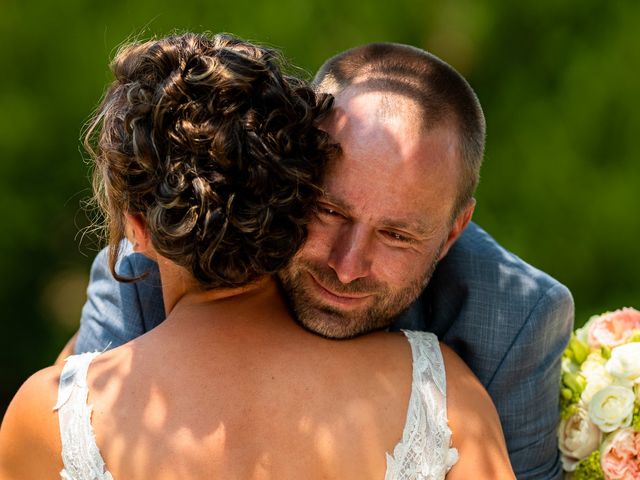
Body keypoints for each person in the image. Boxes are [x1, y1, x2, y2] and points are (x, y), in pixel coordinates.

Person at [0, 32, 514, 479]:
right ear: (298, 196)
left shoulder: (54, 415)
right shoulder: (439, 392)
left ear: (137, 227)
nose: (347, 263)